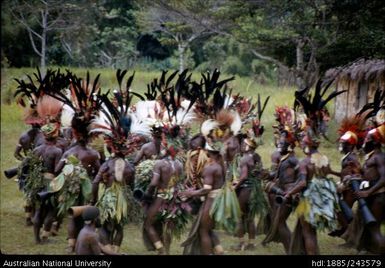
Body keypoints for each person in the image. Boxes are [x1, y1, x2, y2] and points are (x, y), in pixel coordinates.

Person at [286, 132, 340, 255]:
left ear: (308, 146)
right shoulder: (324, 159)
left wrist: (289, 193)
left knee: (308, 232)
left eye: (303, 143)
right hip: (323, 200)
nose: (301, 145)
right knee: (312, 230)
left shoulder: (305, 162)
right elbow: (326, 176)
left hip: (308, 200)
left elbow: (303, 183)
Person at [262, 129, 298, 253]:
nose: (279, 145)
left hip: (288, 194)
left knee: (280, 222)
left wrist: (293, 192)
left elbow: (301, 177)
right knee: (279, 222)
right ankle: (291, 250)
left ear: (289, 146)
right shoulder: (285, 159)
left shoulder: (293, 159)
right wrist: (264, 174)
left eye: (282, 144)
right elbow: (276, 174)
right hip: (283, 192)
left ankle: (291, 251)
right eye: (279, 143)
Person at [353, 123, 385, 254]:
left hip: (379, 197)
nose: (365, 141)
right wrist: (359, 171)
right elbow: (371, 175)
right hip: (372, 196)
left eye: (368, 139)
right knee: (367, 226)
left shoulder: (380, 157)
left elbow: (384, 179)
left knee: (374, 227)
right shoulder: (372, 156)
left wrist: (368, 192)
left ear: (375, 142)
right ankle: (368, 250)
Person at [232, 137, 267, 251]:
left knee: (240, 218)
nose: (241, 146)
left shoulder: (244, 159)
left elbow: (244, 176)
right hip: (255, 191)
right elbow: (262, 173)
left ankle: (241, 243)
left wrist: (235, 187)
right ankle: (251, 244)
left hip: (244, 191)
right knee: (250, 218)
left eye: (243, 144)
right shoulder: (257, 157)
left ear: (248, 147)